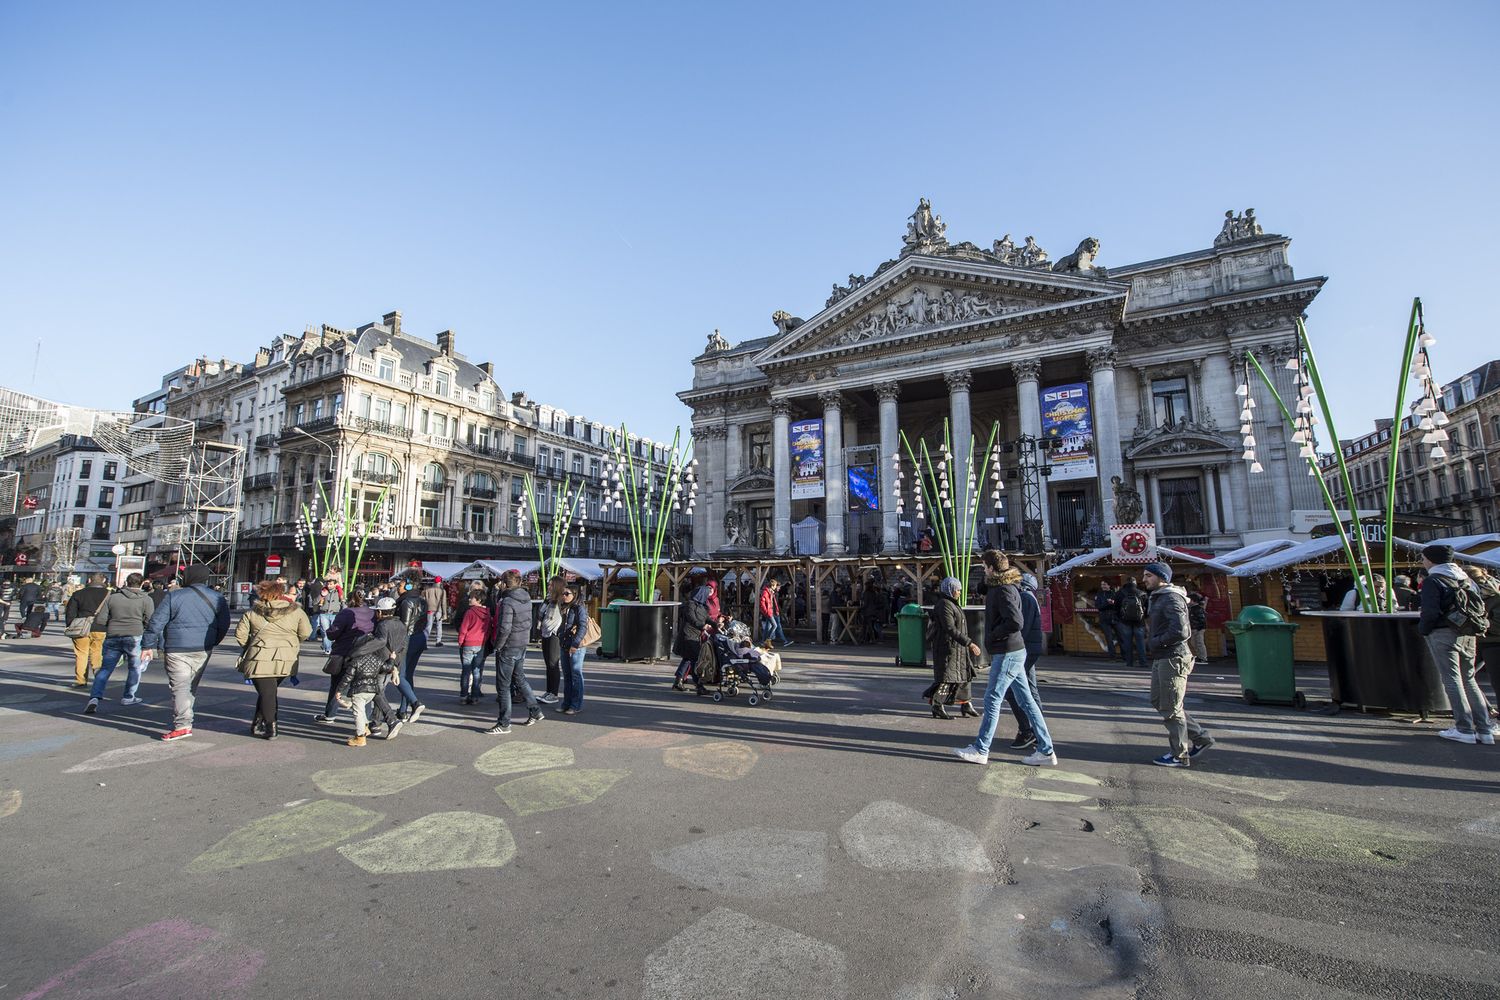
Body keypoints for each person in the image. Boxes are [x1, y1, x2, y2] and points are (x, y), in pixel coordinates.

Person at [953, 550, 1057, 766]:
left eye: (984, 566)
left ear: (991, 568)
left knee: (993, 698)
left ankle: (981, 748)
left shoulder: (1004, 590)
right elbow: (982, 588)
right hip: (1013, 650)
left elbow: (1015, 621)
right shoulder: (1000, 586)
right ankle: (1046, 750)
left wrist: (992, 635)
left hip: (1007, 650)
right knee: (1026, 701)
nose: (982, 569)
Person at [139, 565, 230, 741]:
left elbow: (157, 622)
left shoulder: (174, 596)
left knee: (180, 686)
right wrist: (213, 640)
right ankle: (185, 719)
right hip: (203, 647)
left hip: (177, 646)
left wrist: (147, 645)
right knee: (190, 685)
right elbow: (224, 624)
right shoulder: (217, 597)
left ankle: (183, 725)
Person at [1417, 544, 1495, 744]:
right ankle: (1485, 729)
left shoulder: (1433, 580)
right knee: (1469, 679)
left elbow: (1430, 612)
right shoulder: (1465, 578)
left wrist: (1424, 630)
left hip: (1443, 632)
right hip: (1469, 632)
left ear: (1431, 560)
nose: (1423, 562)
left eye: (1424, 558)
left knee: (1452, 680)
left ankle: (1464, 728)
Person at [1141, 561, 1215, 767]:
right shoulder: (1159, 597)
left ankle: (1179, 754)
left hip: (1173, 657)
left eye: (1148, 575)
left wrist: (1154, 642)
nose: (1144, 579)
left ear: (1161, 577)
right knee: (1159, 701)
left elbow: (1181, 631)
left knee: (1171, 707)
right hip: (1162, 656)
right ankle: (1200, 738)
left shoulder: (1171, 597)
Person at [233, 578, 311, 739]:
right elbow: (305, 632)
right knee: (268, 692)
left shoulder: (252, 612)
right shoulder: (296, 611)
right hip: (286, 659)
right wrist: (291, 643)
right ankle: (257, 723)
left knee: (267, 693)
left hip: (259, 658)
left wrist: (251, 645)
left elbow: (240, 635)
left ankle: (271, 727)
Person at [336, 597, 407, 747]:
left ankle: (391, 719)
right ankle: (375, 723)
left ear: (381, 612)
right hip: (392, 661)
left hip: (380, 661)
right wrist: (395, 665)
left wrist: (357, 652)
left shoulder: (383, 624)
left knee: (375, 691)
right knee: (377, 690)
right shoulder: (400, 624)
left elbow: (380, 642)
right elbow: (403, 645)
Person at [84, 572, 155, 714]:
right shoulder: (146, 599)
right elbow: (150, 621)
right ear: (141, 584)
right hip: (135, 635)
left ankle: (94, 697)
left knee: (105, 669)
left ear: (126, 582)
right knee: (134, 667)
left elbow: (101, 620)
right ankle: (129, 696)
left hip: (113, 635)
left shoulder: (113, 598)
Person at [486, 569, 543, 734]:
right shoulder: (526, 598)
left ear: (504, 584)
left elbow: (504, 628)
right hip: (521, 644)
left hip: (509, 646)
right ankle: (535, 710)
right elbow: (528, 623)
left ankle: (504, 723)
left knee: (503, 686)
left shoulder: (508, 602)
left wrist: (498, 645)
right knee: (520, 679)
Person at [925, 577, 980, 720]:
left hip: (957, 648)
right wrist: (969, 643)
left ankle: (966, 704)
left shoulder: (952, 604)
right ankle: (937, 705)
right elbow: (949, 628)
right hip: (947, 648)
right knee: (946, 679)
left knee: (965, 676)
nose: (959, 592)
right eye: (957, 589)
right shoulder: (944, 605)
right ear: (950, 589)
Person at [1003, 572, 1046, 749]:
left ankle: (1028, 730)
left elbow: (1022, 627)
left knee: (1012, 690)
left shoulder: (1025, 599)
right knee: (1030, 688)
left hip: (1025, 649)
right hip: (1029, 648)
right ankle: (1037, 731)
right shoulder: (1029, 597)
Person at [64, 573, 110, 688]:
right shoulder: (109, 595)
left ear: (89, 580)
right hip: (101, 627)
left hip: (81, 628)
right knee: (97, 653)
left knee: (81, 654)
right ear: (103, 580)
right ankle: (98, 678)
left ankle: (80, 680)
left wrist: (70, 625)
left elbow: (70, 613)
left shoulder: (78, 594)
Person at [392, 581, 429, 722]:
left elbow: (405, 626)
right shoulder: (422, 601)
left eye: (399, 586)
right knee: (407, 675)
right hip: (419, 637)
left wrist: (396, 645)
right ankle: (403, 710)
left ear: (407, 587)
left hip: (408, 639)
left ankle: (415, 702)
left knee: (399, 675)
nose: (397, 588)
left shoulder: (406, 602)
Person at [1467, 565, 1500, 716]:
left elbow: (1497, 625)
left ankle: (1491, 713)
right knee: (1465, 678)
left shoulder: (1495, 595)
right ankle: (1487, 710)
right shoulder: (1468, 594)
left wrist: (1478, 625)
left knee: (1497, 682)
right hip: (1478, 640)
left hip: (1493, 641)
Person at [674, 580, 711, 693]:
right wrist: (702, 626)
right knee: (695, 660)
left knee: (687, 659)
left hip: (695, 635)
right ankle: (699, 686)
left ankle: (678, 681)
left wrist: (716, 623)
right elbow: (692, 619)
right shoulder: (690, 605)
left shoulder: (702, 606)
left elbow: (707, 618)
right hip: (688, 635)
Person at [456, 586, 491, 704]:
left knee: (466, 671)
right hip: (480, 644)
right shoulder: (487, 613)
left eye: (471, 598)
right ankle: (475, 696)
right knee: (476, 671)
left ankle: (464, 696)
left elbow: (463, 629)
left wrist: (460, 641)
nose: (469, 600)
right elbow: (488, 630)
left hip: (468, 643)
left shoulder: (470, 612)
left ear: (478, 600)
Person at [557, 585, 588, 714]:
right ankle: (566, 703)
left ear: (574, 594)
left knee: (576, 675)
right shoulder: (565, 607)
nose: (564, 596)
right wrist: (559, 634)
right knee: (567, 676)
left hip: (575, 646)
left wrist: (575, 644)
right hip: (564, 644)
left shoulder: (579, 608)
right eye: (563, 593)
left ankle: (576, 705)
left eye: (567, 593)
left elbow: (583, 626)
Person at [537, 574, 566, 705]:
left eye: (550, 584)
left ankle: (553, 693)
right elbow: (540, 614)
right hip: (545, 632)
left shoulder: (561, 600)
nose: (548, 586)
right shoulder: (548, 599)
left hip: (554, 634)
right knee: (548, 664)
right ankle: (549, 691)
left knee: (553, 664)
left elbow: (563, 618)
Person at [1115, 577, 1148, 669]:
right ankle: (1143, 662)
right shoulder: (1142, 593)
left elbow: (1116, 608)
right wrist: (1143, 617)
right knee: (1140, 643)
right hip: (1139, 622)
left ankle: (1129, 662)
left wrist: (1120, 617)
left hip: (1124, 622)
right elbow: (1147, 608)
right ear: (1135, 583)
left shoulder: (1120, 593)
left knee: (1127, 643)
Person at [759, 580, 792, 647]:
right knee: (775, 626)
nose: (779, 588)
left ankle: (764, 641)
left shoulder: (771, 592)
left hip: (772, 612)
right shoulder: (766, 592)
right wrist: (766, 611)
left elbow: (773, 603)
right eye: (777, 586)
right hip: (770, 612)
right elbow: (762, 603)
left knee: (769, 627)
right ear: (773, 586)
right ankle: (768, 640)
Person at [1094, 581, 1121, 658]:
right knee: (1109, 638)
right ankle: (1112, 656)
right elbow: (1098, 607)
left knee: (1120, 637)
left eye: (1104, 584)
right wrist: (1107, 603)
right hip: (1104, 619)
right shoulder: (1099, 594)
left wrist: (1113, 603)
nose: (1103, 586)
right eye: (1102, 584)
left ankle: (1125, 656)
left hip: (1115, 618)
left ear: (1109, 585)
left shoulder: (1114, 593)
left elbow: (1119, 605)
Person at [1186, 584, 1210, 663]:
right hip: (1193, 628)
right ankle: (1199, 656)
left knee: (1199, 642)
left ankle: (1203, 657)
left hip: (1198, 628)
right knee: (1194, 643)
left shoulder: (1198, 609)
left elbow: (1202, 619)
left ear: (1193, 600)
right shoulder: (1192, 608)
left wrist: (1200, 628)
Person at [423, 576, 449, 647]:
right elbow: (443, 603)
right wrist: (445, 614)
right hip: (438, 610)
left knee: (428, 626)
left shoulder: (427, 590)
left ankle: (424, 642)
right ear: (440, 582)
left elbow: (424, 601)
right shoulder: (442, 591)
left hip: (429, 609)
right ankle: (438, 641)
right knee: (439, 626)